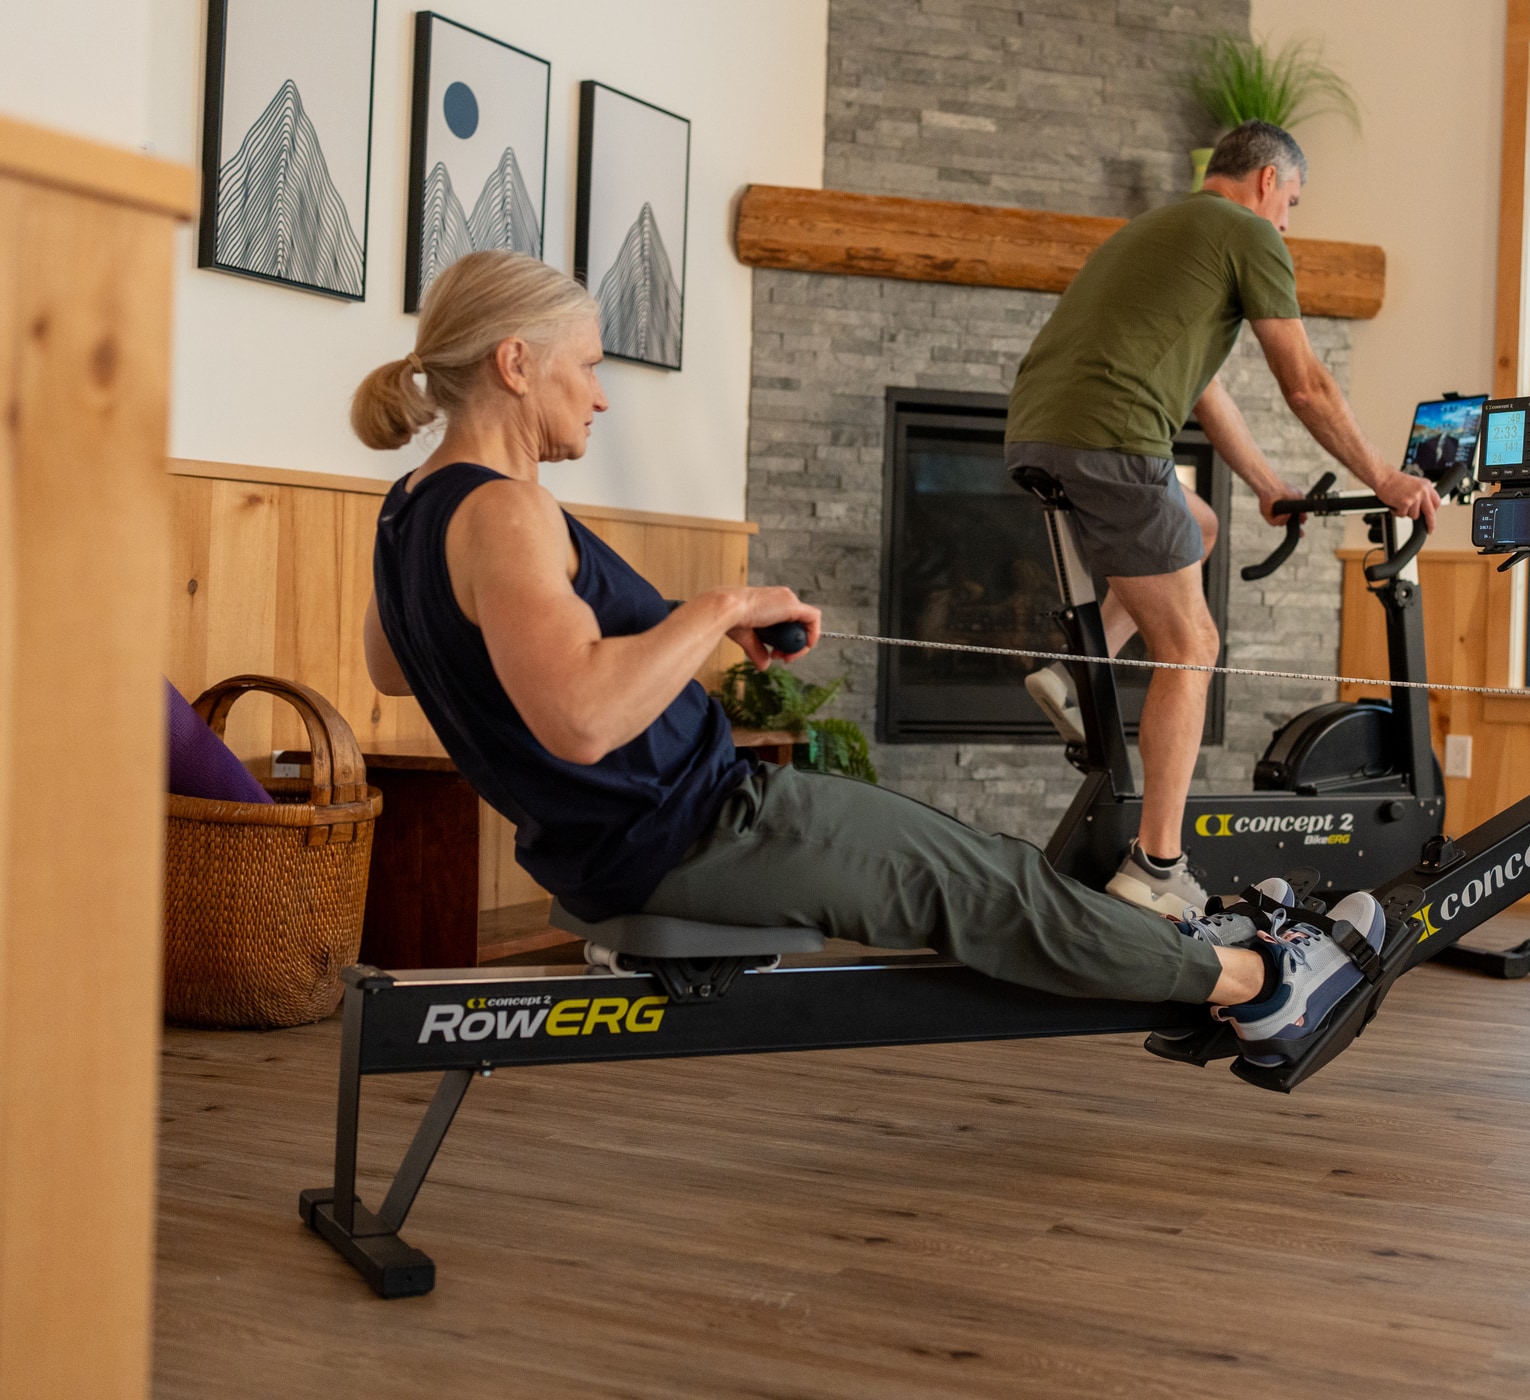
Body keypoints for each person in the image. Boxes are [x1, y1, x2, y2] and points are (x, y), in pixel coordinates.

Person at [350, 250, 1387, 1068]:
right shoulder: (507, 511)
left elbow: (408, 669)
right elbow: (576, 717)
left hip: (628, 833)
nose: (602, 394)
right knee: (995, 889)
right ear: (515, 362)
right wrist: (719, 605)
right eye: (588, 365)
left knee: (981, 874)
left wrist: (699, 639)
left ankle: (1215, 954)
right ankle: (1258, 980)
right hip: (701, 828)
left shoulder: (413, 508)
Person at [1005, 119, 1441, 914]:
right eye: (1294, 203)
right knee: (1192, 645)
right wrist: (1385, 476)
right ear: (1269, 181)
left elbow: (1205, 390)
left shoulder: (1159, 233)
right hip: (1113, 440)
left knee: (1197, 525)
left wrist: (1269, 483)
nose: (1288, 224)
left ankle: (1071, 672)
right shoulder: (1248, 233)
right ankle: (1158, 867)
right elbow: (1306, 384)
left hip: (1042, 430)